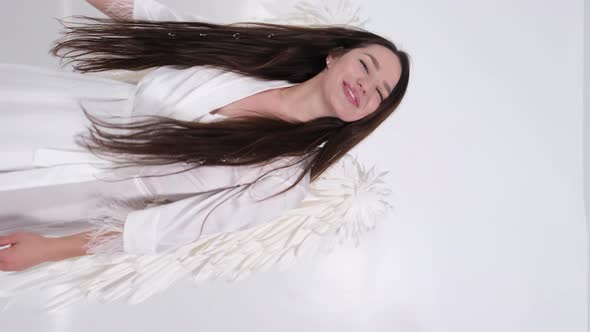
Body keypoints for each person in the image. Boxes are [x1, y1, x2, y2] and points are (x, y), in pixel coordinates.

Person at [0, 0, 410, 272]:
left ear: (372, 113)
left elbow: (164, 228)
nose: (366, 85)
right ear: (335, 56)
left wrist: (48, 250)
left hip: (69, 190)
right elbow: (150, 17)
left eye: (380, 93)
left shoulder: (284, 179)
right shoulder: (252, 59)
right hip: (62, 110)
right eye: (366, 65)